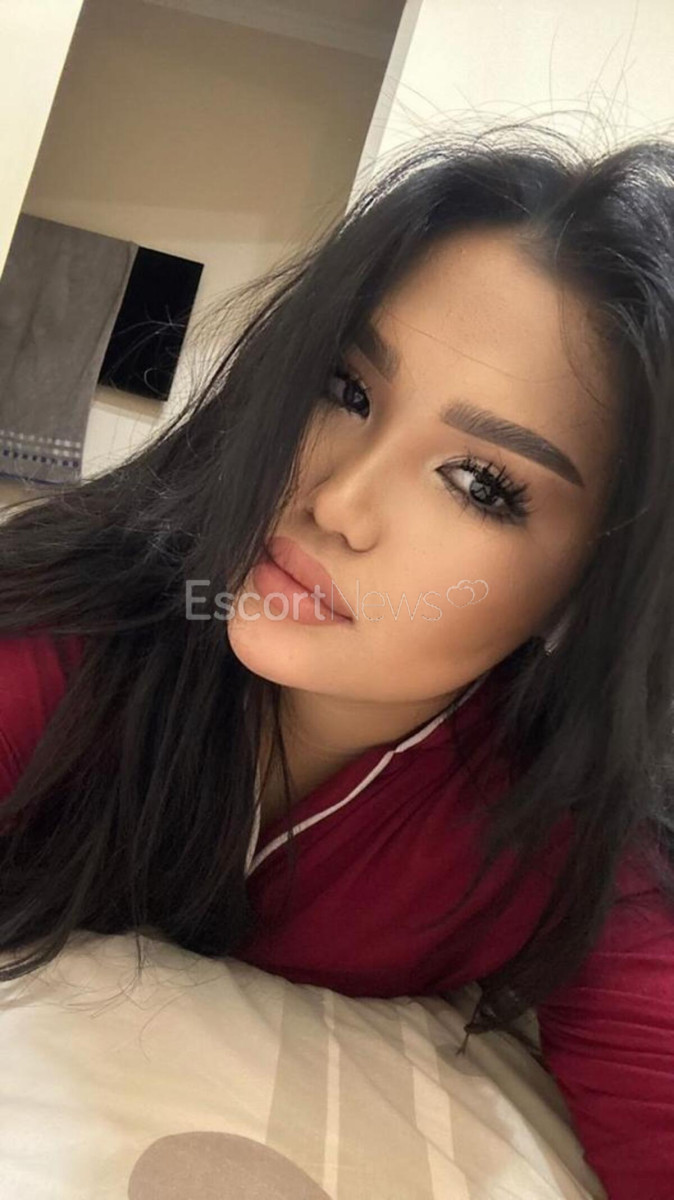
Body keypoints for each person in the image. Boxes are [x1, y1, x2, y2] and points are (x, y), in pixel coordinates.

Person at [1, 124, 674, 1197]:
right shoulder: (78, 649)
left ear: (592, 589)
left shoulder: (562, 833)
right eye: (346, 389)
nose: (338, 501)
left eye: (480, 484)